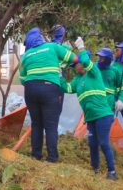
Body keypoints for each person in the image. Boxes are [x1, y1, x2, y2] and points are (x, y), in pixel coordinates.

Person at [19, 27, 79, 162]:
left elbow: (22, 79)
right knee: (51, 125)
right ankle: (52, 158)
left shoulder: (26, 56)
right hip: (49, 88)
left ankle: (36, 155)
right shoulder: (52, 47)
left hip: (30, 90)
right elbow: (74, 59)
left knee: (36, 124)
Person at [62, 50, 118, 180]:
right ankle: (95, 170)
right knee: (92, 144)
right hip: (90, 117)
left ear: (82, 64)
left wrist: (81, 49)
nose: (74, 68)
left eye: (75, 65)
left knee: (104, 143)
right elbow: (68, 88)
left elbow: (87, 61)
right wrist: (59, 75)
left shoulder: (93, 72)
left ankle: (112, 172)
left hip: (103, 115)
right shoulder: (77, 79)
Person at [96, 47, 123, 112]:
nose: (99, 60)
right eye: (99, 57)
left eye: (102, 58)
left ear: (108, 59)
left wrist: (120, 99)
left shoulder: (114, 71)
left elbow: (121, 87)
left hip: (109, 105)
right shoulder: (94, 68)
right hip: (95, 103)